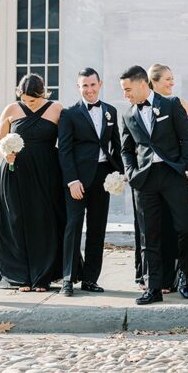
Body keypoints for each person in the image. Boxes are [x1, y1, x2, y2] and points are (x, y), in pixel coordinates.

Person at [120, 65, 188, 305]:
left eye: (128, 89)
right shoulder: (128, 114)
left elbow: (187, 138)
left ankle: (184, 274)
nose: (126, 95)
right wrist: (131, 173)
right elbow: (126, 149)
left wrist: (186, 168)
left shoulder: (171, 104)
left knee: (185, 226)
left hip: (172, 174)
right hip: (145, 179)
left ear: (143, 84)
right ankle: (152, 288)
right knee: (148, 236)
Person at [0, 74, 65, 292]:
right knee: (16, 220)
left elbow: (66, 142)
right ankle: (20, 276)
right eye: (23, 99)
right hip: (16, 173)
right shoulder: (11, 109)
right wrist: (5, 153)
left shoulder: (57, 109)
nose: (27, 103)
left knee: (44, 221)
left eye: (32, 100)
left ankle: (43, 276)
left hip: (47, 173)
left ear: (43, 94)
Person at [56, 68, 121, 297]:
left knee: (97, 229)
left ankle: (91, 279)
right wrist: (71, 180)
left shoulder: (110, 111)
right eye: (85, 86)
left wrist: (120, 174)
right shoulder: (69, 113)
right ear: (78, 87)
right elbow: (64, 150)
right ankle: (67, 278)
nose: (89, 90)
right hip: (78, 180)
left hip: (103, 178)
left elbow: (116, 146)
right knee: (73, 227)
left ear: (100, 84)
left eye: (92, 85)